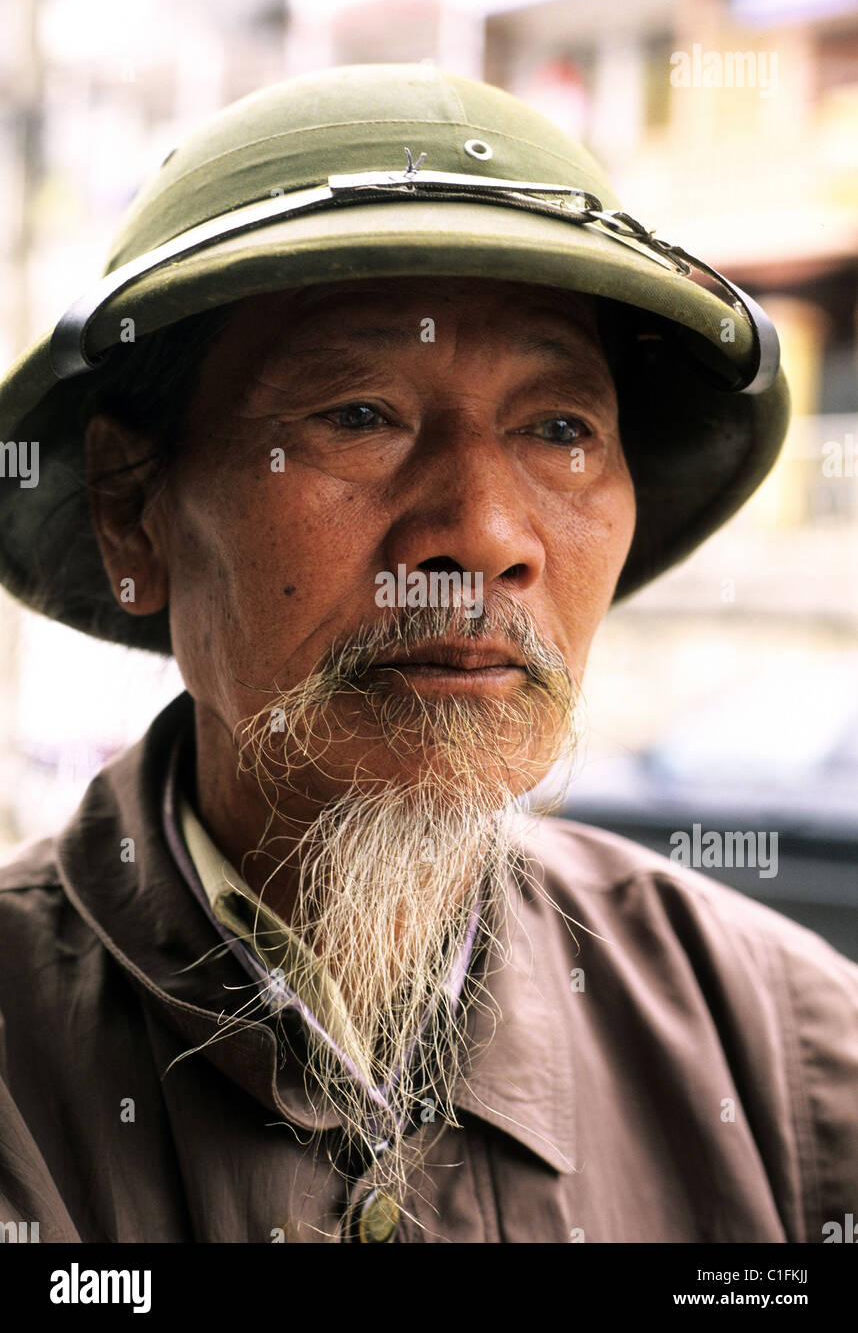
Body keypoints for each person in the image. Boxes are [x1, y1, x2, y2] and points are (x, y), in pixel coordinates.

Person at [0, 63, 854, 1245]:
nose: (488, 538)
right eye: (359, 416)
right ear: (132, 505)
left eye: (560, 431)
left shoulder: (784, 1051)